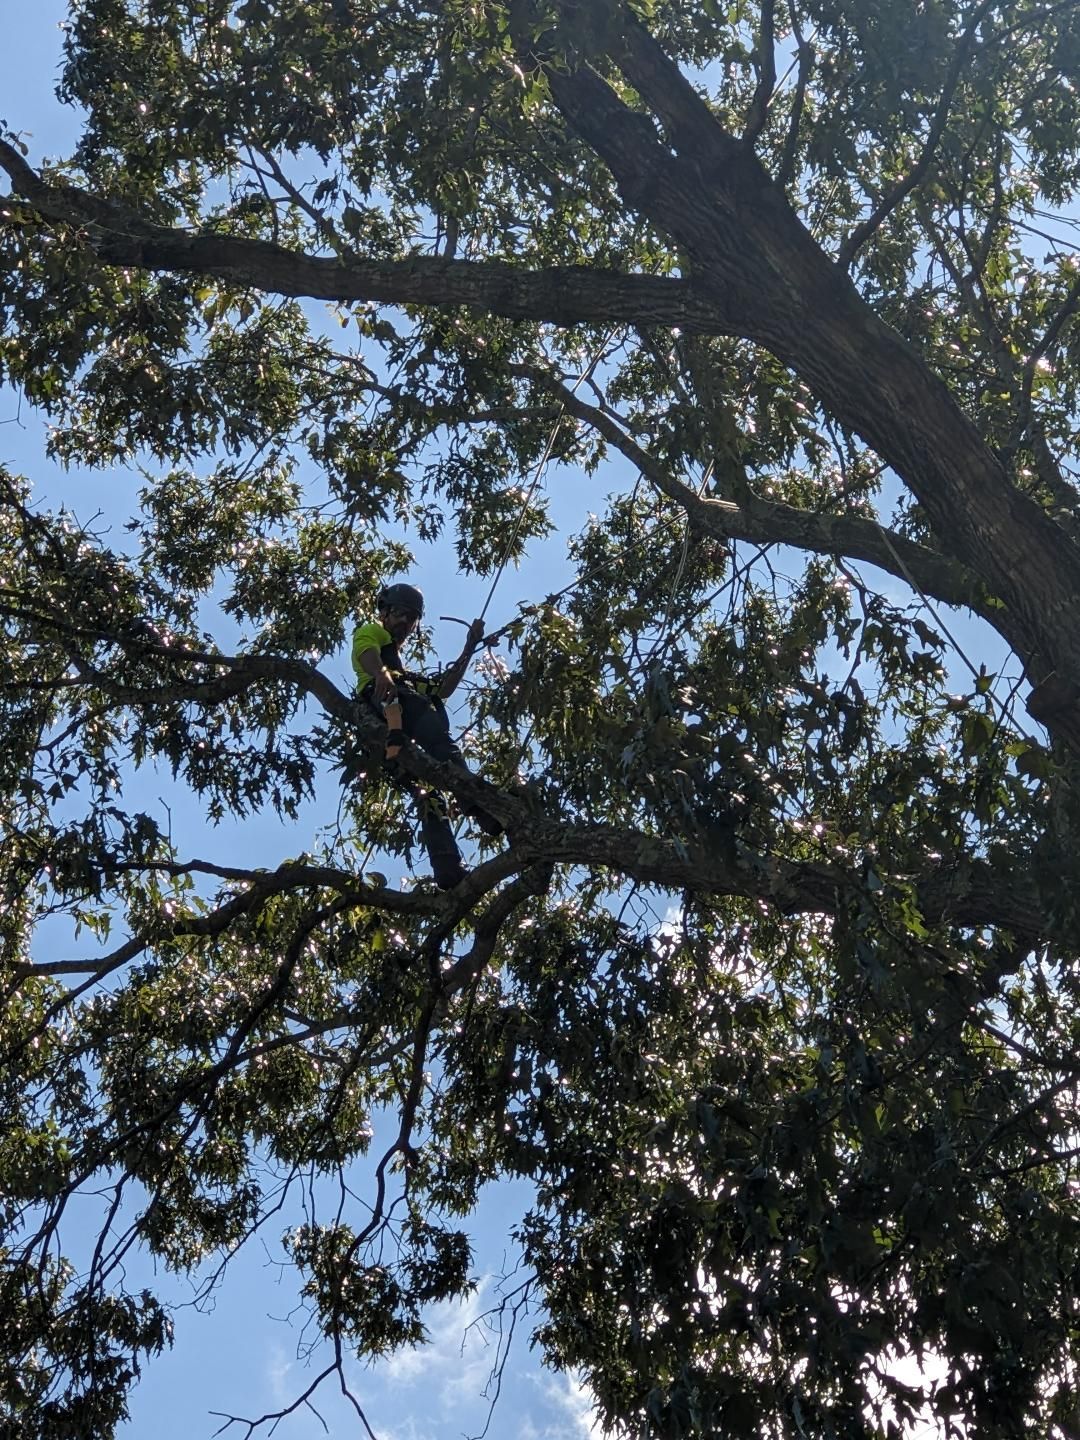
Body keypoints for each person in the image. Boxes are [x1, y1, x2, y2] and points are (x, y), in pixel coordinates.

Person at [351, 582, 503, 889]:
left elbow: (442, 689)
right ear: (385, 611)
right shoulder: (373, 633)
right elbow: (365, 651)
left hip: (393, 727)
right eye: (401, 615)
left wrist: (469, 647)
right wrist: (381, 674)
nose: (406, 624)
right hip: (388, 706)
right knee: (439, 743)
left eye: (412, 619)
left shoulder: (404, 676)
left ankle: (447, 867)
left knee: (429, 795)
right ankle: (479, 805)